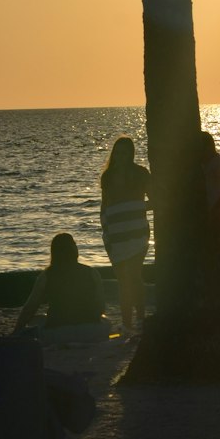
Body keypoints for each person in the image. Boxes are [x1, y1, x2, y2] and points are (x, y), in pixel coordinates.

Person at [100, 137, 151, 331]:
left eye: (125, 153)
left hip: (137, 231)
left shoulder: (141, 174)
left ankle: (140, 317)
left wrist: (135, 209)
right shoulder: (108, 176)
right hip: (115, 233)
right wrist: (105, 231)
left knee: (135, 276)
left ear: (131, 154)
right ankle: (127, 323)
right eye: (118, 153)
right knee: (123, 279)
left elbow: (154, 200)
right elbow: (104, 206)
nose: (121, 157)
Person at [13, 232, 106, 335]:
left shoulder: (47, 275)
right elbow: (101, 307)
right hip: (91, 330)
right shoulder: (92, 272)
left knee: (36, 321)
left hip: (58, 330)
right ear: (74, 250)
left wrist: (17, 331)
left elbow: (30, 307)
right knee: (105, 321)